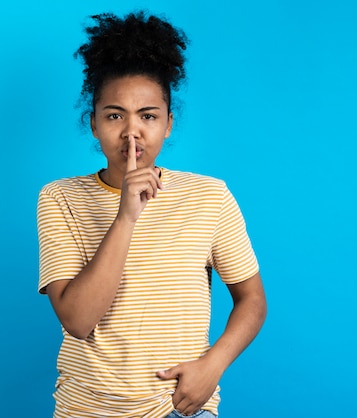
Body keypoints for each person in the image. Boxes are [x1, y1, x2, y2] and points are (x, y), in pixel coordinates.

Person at [37, 11, 267, 418]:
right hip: (87, 408)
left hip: (179, 407)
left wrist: (212, 367)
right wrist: (126, 216)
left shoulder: (209, 195)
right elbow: (77, 320)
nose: (131, 132)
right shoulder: (61, 198)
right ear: (92, 123)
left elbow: (252, 300)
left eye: (148, 116)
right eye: (114, 115)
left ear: (168, 124)